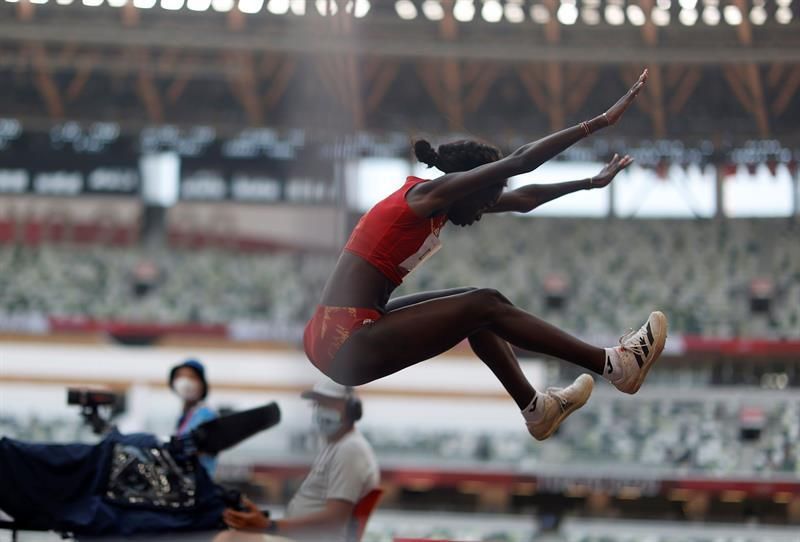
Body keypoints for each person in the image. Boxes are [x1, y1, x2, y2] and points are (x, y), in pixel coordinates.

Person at [303, 69, 668, 441]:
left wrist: (590, 182)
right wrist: (599, 123)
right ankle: (615, 365)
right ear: (468, 185)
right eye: (485, 202)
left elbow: (524, 199)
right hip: (344, 340)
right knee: (485, 304)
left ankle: (537, 410)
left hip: (353, 327)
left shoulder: (441, 204)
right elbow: (521, 161)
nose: (482, 213)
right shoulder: (425, 197)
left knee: (478, 312)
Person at [221, 380, 380, 542]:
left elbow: (335, 519)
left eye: (330, 404)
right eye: (318, 404)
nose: (322, 411)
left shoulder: (350, 449)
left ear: (352, 409)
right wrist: (264, 521)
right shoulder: (337, 446)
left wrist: (270, 526)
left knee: (228, 539)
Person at [170, 359, 219, 476]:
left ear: (202, 383)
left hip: (199, 484)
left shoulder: (206, 415)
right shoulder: (186, 416)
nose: (185, 381)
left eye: (191, 377)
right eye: (180, 376)